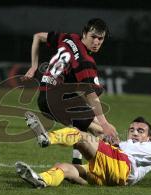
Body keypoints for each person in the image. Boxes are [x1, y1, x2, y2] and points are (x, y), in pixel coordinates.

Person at [22, 18, 117, 164]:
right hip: (59, 98)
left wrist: (34, 66)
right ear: (84, 34)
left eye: (100, 38)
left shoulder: (69, 38)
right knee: (101, 131)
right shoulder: (85, 61)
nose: (96, 42)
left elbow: (38, 36)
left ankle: (76, 163)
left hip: (45, 97)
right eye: (93, 37)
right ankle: (118, 165)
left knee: (84, 125)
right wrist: (106, 125)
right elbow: (92, 97)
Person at [16, 112, 151, 187]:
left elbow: (121, 149)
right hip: (113, 178)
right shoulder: (125, 145)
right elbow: (115, 145)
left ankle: (47, 138)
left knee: (80, 136)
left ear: (150, 137)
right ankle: (41, 180)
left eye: (140, 131)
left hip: (122, 166)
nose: (135, 133)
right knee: (64, 168)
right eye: (132, 129)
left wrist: (112, 142)